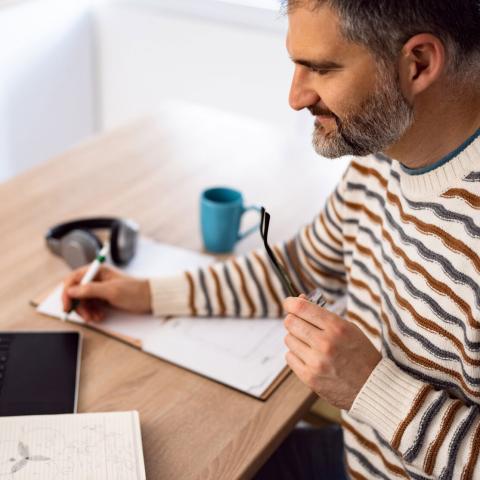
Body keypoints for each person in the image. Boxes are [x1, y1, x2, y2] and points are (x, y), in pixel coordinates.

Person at [62, 0, 480, 478]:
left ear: (419, 63)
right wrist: (146, 293)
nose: (296, 97)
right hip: (359, 458)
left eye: (321, 69)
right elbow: (302, 267)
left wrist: (369, 387)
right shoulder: (380, 153)